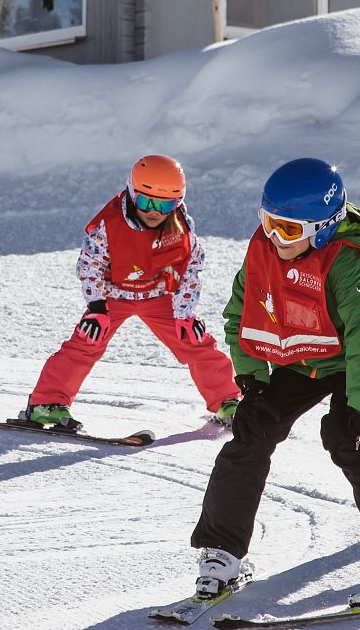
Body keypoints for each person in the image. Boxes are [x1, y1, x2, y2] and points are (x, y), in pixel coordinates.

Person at [189, 157, 360, 607]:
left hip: (346, 362)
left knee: (345, 437)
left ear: (322, 227)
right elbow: (241, 312)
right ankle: (223, 551)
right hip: (298, 361)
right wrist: (251, 374)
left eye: (287, 230)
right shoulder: (263, 250)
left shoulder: (346, 266)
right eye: (268, 222)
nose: (273, 236)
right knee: (251, 429)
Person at [21, 155, 241, 431]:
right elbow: (90, 265)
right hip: (114, 295)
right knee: (87, 342)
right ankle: (46, 403)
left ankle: (227, 402)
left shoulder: (181, 224)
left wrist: (185, 314)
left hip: (158, 295)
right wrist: (97, 308)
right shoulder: (107, 224)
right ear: (131, 191)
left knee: (195, 342)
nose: (154, 211)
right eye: (146, 201)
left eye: (166, 204)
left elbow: (192, 266)